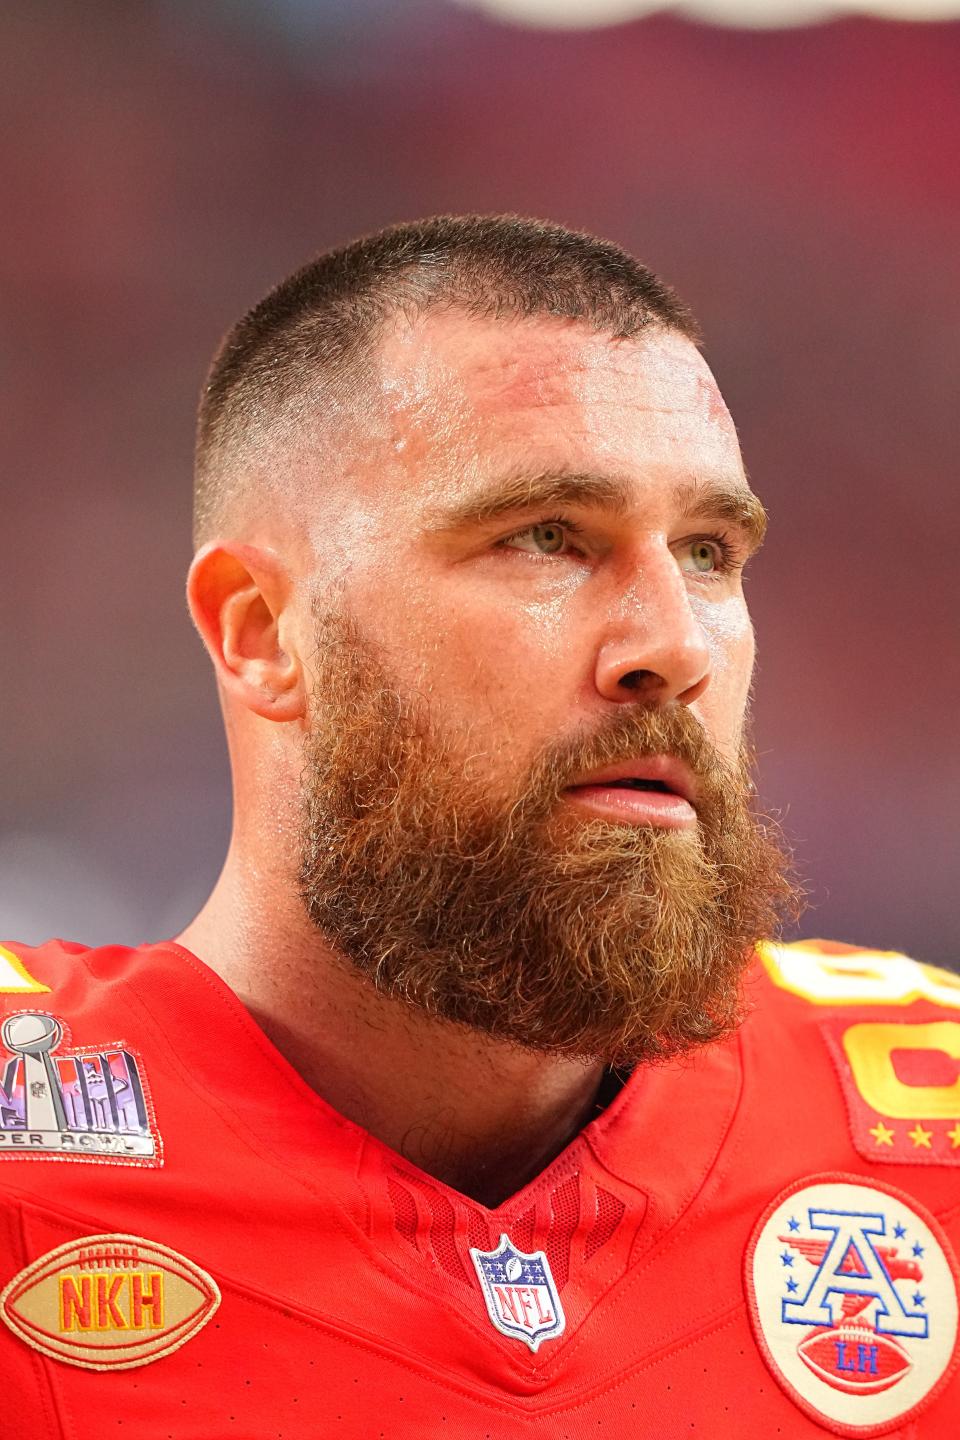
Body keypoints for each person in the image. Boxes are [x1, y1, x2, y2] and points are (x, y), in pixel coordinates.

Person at [1, 214, 957, 1438]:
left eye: (712, 552)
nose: (673, 648)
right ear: (259, 630)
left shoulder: (929, 1134)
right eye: (548, 538)